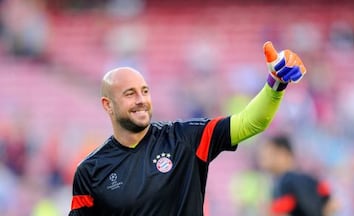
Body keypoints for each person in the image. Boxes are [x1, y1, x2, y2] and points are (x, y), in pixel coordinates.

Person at [69, 41, 307, 216]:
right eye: (130, 94)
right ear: (107, 105)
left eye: (145, 91)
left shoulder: (184, 138)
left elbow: (250, 122)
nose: (141, 99)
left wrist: (275, 83)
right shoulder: (90, 171)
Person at [258, 135, 337, 216]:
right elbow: (333, 204)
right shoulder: (310, 179)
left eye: (269, 154)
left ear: (283, 154)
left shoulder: (285, 183)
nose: (264, 159)